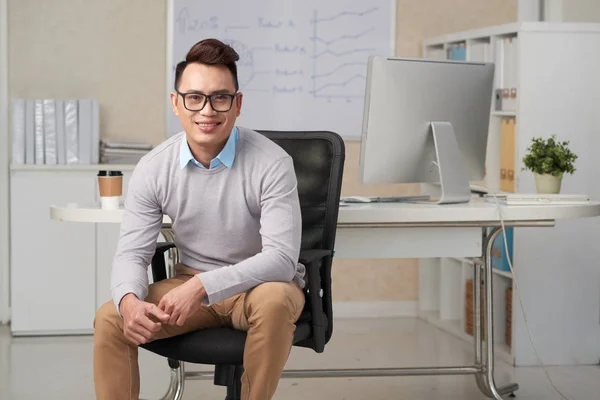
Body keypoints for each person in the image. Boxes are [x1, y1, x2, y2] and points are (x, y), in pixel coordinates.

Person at [93, 38, 306, 400]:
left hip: (259, 284)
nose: (207, 110)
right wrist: (129, 300)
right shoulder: (153, 167)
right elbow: (131, 254)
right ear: (176, 103)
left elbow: (282, 260)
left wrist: (204, 286)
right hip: (189, 283)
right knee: (111, 318)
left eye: (220, 97)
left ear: (237, 104)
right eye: (194, 97)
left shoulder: (272, 163)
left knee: (273, 302)